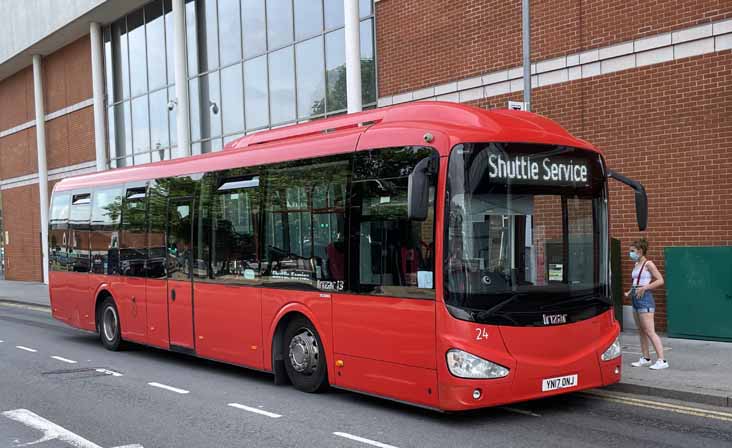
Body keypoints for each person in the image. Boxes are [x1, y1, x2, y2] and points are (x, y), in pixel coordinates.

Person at [625, 238, 668, 370]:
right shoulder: (636, 264)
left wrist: (645, 288)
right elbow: (636, 282)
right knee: (641, 331)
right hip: (636, 298)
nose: (630, 253)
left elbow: (660, 280)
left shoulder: (648, 264)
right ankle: (646, 358)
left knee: (650, 331)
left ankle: (662, 360)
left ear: (640, 251)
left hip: (645, 298)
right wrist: (629, 292)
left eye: (632, 251)